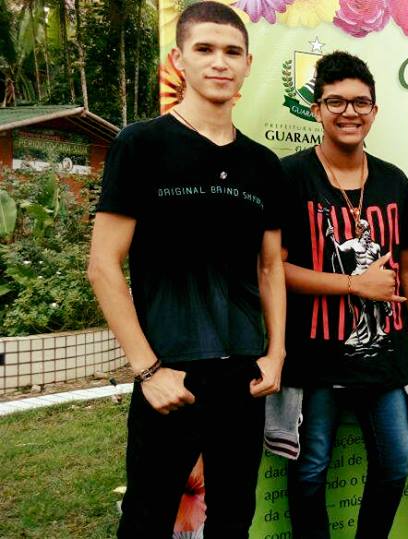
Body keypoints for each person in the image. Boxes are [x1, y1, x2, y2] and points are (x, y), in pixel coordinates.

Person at [87, 3, 286, 537]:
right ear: (179, 59)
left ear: (247, 64)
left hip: (244, 375)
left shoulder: (263, 165)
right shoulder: (141, 145)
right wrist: (148, 370)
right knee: (147, 518)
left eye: (232, 52)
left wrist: (275, 354)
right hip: (171, 372)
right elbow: (103, 264)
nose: (219, 62)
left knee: (234, 517)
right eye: (205, 49)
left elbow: (271, 267)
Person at [275, 51, 408, 538]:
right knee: (309, 469)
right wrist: (352, 284)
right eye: (336, 102)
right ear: (316, 109)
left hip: (386, 355)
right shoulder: (290, 176)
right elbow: (273, 269)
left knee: (396, 461)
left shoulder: (392, 179)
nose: (350, 112)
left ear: (374, 110)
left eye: (360, 102)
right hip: (314, 355)